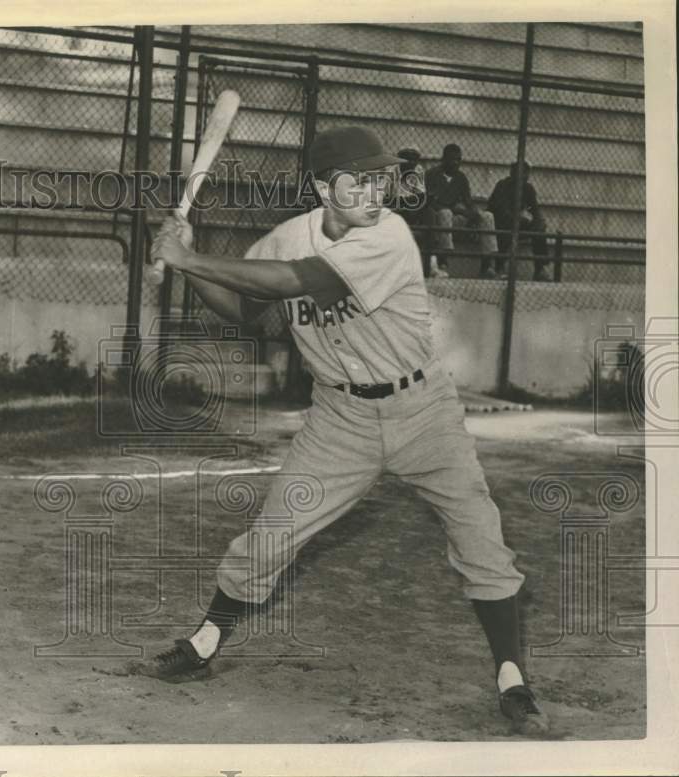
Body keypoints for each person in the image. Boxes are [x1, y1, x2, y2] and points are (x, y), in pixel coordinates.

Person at [136, 126, 550, 736]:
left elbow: (293, 282)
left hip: (423, 411)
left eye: (382, 178)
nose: (376, 191)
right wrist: (190, 263)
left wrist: (188, 258)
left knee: (479, 533)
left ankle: (512, 680)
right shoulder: (286, 237)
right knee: (275, 529)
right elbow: (245, 307)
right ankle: (201, 645)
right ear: (323, 188)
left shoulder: (388, 236)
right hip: (340, 418)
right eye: (359, 180)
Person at [425, 143, 500, 279]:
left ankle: (487, 265)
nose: (456, 163)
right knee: (445, 213)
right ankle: (443, 262)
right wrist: (457, 210)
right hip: (438, 218)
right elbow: (431, 203)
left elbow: (468, 201)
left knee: (487, 216)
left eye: (458, 160)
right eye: (452, 159)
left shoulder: (461, 178)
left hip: (455, 218)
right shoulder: (432, 175)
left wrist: (474, 214)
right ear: (444, 159)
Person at [487, 162, 552, 282]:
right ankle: (499, 267)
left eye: (525, 175)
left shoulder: (528, 188)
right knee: (504, 228)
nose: (523, 178)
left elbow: (535, 210)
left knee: (539, 229)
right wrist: (519, 219)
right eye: (520, 174)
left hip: (519, 223)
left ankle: (540, 268)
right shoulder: (503, 185)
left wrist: (539, 220)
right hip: (500, 222)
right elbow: (501, 211)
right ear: (512, 174)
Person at [388, 146, 439, 277]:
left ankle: (431, 261)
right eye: (407, 159)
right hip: (394, 209)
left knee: (430, 212)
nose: (411, 163)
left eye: (414, 160)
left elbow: (420, 195)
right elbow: (384, 198)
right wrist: (405, 203)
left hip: (411, 209)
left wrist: (420, 202)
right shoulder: (390, 170)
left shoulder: (418, 170)